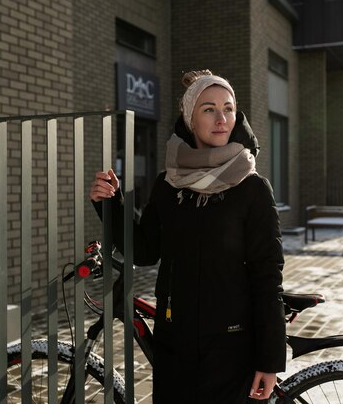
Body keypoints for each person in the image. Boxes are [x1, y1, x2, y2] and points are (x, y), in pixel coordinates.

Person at [89, 70, 286, 403]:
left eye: (229, 108)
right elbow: (145, 249)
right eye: (209, 109)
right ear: (190, 119)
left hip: (232, 350)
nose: (222, 118)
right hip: (174, 345)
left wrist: (269, 360)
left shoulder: (252, 188)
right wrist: (111, 204)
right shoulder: (169, 183)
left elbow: (267, 275)